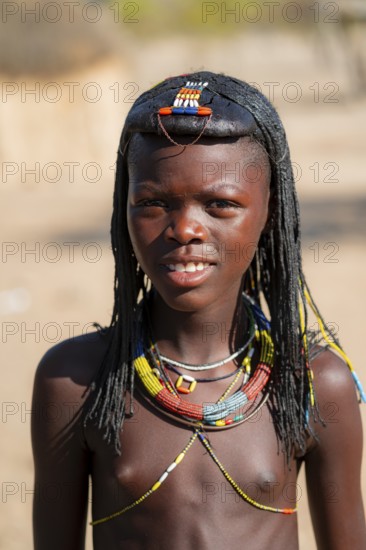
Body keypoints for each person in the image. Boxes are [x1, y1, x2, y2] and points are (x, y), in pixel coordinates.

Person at [31, 72, 366, 549]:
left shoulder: (311, 383)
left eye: (220, 204)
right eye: (152, 202)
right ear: (121, 210)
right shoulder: (76, 380)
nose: (185, 228)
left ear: (270, 211)